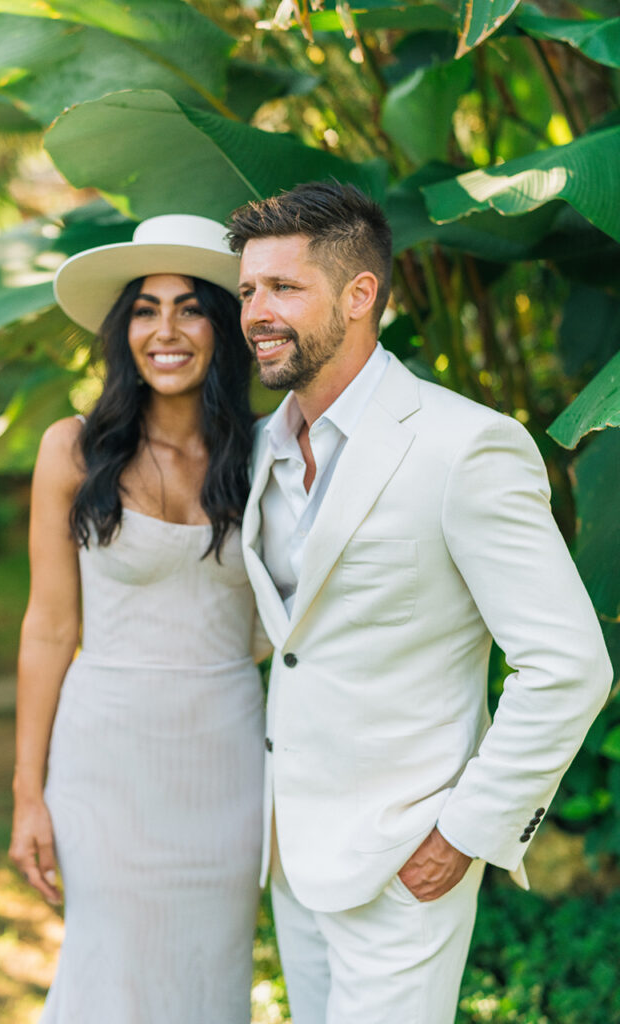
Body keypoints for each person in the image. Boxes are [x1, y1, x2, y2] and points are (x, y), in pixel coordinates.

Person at [227, 181, 612, 1024]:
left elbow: (570, 664)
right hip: (292, 855)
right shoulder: (261, 446)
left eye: (283, 288)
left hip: (407, 861)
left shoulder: (465, 446)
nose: (256, 311)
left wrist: (467, 832)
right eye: (249, 289)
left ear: (360, 295)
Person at [8, 214, 269, 1023]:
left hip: (226, 765)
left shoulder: (269, 456)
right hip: (104, 764)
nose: (166, 330)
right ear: (123, 330)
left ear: (222, 330)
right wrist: (27, 791)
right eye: (146, 309)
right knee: (108, 977)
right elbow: (49, 628)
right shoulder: (75, 449)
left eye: (191, 307)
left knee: (208, 979)